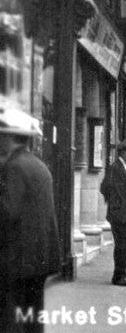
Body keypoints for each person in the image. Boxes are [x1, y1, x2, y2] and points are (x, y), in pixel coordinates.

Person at [0, 108, 60, 333]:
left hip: (17, 259)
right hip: (40, 258)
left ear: (9, 138)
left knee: (12, 318)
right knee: (33, 316)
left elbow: (7, 212)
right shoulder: (38, 165)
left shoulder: (14, 167)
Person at [100, 139, 126, 286]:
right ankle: (119, 276)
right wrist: (115, 204)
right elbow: (105, 187)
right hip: (119, 213)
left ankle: (122, 275)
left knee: (125, 245)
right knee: (123, 245)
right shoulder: (115, 167)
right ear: (123, 152)